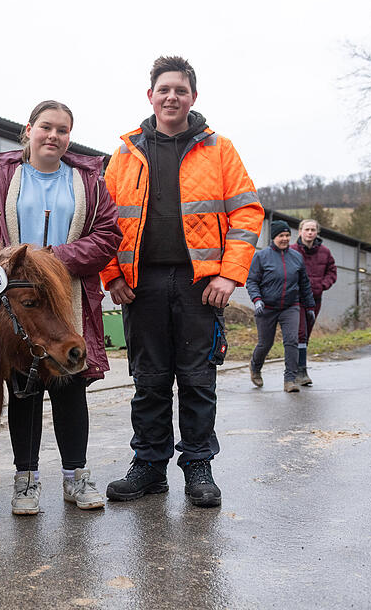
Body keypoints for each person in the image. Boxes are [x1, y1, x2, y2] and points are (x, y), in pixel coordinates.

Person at [101, 56, 264, 508]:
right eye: (164, 89)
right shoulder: (125, 153)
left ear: (193, 97)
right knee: (149, 382)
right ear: (150, 95)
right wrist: (111, 275)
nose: (172, 96)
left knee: (197, 381)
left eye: (181, 90)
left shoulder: (219, 149)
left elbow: (248, 214)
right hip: (142, 285)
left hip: (200, 286)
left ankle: (198, 467)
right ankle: (150, 468)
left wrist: (230, 275)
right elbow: (104, 220)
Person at [0, 99, 122, 514]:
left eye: (63, 130)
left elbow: (107, 235)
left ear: (70, 136)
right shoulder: (1, 178)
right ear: (28, 129)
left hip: (67, 299)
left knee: (70, 391)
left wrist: (55, 259)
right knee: (24, 390)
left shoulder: (88, 181)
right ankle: (26, 481)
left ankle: (76, 478)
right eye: (46, 127)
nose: (54, 135)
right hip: (18, 307)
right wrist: (13, 263)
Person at [247, 220, 315, 392]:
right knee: (265, 344)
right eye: (280, 236)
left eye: (287, 235)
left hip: (290, 307)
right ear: (273, 237)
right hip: (267, 308)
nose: (284, 239)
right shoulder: (261, 257)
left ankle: (290, 380)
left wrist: (310, 307)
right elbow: (252, 281)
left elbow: (304, 284)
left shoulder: (296, 257)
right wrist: (257, 300)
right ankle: (255, 367)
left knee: (292, 341)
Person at [290, 219, 337, 385]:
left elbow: (332, 272)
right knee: (300, 333)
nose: (310, 233)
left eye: (313, 230)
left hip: (315, 299)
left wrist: (322, 285)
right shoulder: (291, 251)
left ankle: (296, 367)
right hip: (296, 299)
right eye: (307, 229)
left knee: (306, 334)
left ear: (317, 232)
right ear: (300, 231)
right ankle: (300, 372)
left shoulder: (325, 252)